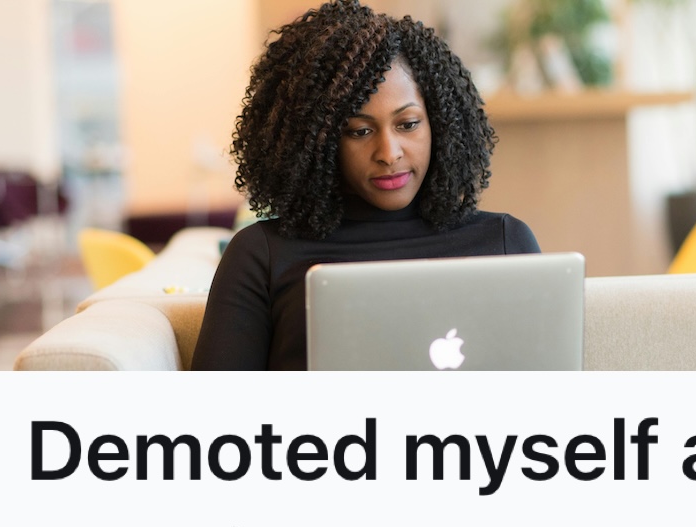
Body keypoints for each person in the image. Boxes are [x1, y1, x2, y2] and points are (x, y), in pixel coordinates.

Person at [192, 0, 540, 370]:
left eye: (408, 124)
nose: (389, 153)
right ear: (318, 141)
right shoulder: (261, 256)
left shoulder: (506, 243)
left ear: (440, 123)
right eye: (360, 131)